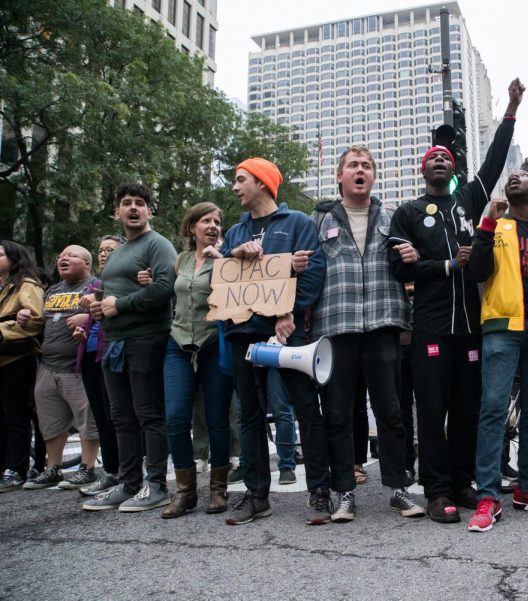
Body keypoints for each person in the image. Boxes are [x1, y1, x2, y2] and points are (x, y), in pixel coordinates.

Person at [389, 78, 524, 523]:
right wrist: (447, 265)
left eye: (447, 158)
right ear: (423, 170)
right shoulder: (407, 213)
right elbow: (400, 270)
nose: (442, 161)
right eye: (435, 159)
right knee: (431, 411)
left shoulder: (469, 199)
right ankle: (436, 489)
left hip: (469, 327)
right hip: (429, 326)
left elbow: (493, 161)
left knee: (467, 408)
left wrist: (510, 110)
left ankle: (463, 481)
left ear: (453, 169)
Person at [308, 145, 423, 525]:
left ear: (374, 177)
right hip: (335, 326)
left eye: (367, 166)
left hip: (383, 323)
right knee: (337, 412)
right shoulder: (317, 221)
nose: (360, 170)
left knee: (391, 410)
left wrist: (413, 259)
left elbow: (411, 269)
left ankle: (398, 488)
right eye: (353, 165)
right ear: (339, 176)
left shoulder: (394, 218)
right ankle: (344, 493)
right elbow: (305, 274)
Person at [220, 157, 327, 525]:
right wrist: (234, 254)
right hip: (243, 335)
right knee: (248, 414)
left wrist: (288, 311)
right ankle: (256, 495)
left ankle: (319, 492)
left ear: (263, 183)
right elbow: (221, 275)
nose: (235, 187)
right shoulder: (235, 232)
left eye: (241, 180)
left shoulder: (297, 222)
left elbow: (313, 270)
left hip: (288, 335)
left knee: (305, 409)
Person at [466, 171, 528, 532]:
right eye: (511, 176)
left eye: (523, 176)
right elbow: (476, 271)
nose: (514, 178)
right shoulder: (495, 226)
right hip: (501, 329)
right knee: (493, 410)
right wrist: (486, 224)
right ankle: (489, 495)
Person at [83, 184, 178, 512]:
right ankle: (128, 483)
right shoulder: (118, 251)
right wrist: (98, 307)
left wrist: (119, 305)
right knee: (120, 415)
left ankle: (156, 485)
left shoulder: (158, 244)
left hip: (147, 338)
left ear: (149, 211)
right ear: (117, 212)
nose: (134, 208)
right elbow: (109, 294)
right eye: (127, 203)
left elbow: (166, 288)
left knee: (148, 413)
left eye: (140, 203)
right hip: (114, 342)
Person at [160, 202, 235, 518]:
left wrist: (224, 262)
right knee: (176, 418)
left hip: (212, 345)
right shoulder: (181, 259)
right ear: (192, 228)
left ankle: (218, 490)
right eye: (206, 220)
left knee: (217, 419)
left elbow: (239, 294)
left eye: (217, 221)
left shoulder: (227, 259)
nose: (213, 226)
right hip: (178, 345)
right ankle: (185, 492)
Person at [18, 246, 102, 490]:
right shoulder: (52, 290)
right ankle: (53, 469)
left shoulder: (96, 286)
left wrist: (88, 319)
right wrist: (26, 319)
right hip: (47, 364)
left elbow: (108, 314)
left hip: (77, 366)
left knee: (87, 418)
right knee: (50, 420)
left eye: (71, 256)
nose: (63, 258)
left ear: (87, 263)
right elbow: (42, 324)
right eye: (60, 256)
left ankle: (87, 468)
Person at [76, 235, 126, 495]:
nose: (104, 254)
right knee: (102, 417)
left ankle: (128, 471)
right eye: (101, 250)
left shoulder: (122, 282)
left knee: (118, 416)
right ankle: (111, 471)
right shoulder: (95, 285)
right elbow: (93, 322)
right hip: (91, 356)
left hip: (115, 353)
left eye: (110, 250)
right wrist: (83, 332)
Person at [0, 241, 45, 493]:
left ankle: (16, 469)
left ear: (14, 259)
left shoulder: (26, 286)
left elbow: (34, 321)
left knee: (16, 417)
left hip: (17, 359)